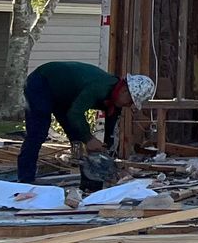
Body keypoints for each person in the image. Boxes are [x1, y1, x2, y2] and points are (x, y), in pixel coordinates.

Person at [17, 62, 154, 184]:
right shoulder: (99, 87)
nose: (129, 105)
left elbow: (110, 129)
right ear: (125, 90)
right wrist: (89, 139)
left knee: (76, 133)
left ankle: (88, 179)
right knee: (38, 132)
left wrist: (107, 151)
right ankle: (25, 178)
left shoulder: (115, 99)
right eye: (130, 101)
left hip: (64, 93)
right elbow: (75, 113)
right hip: (41, 82)